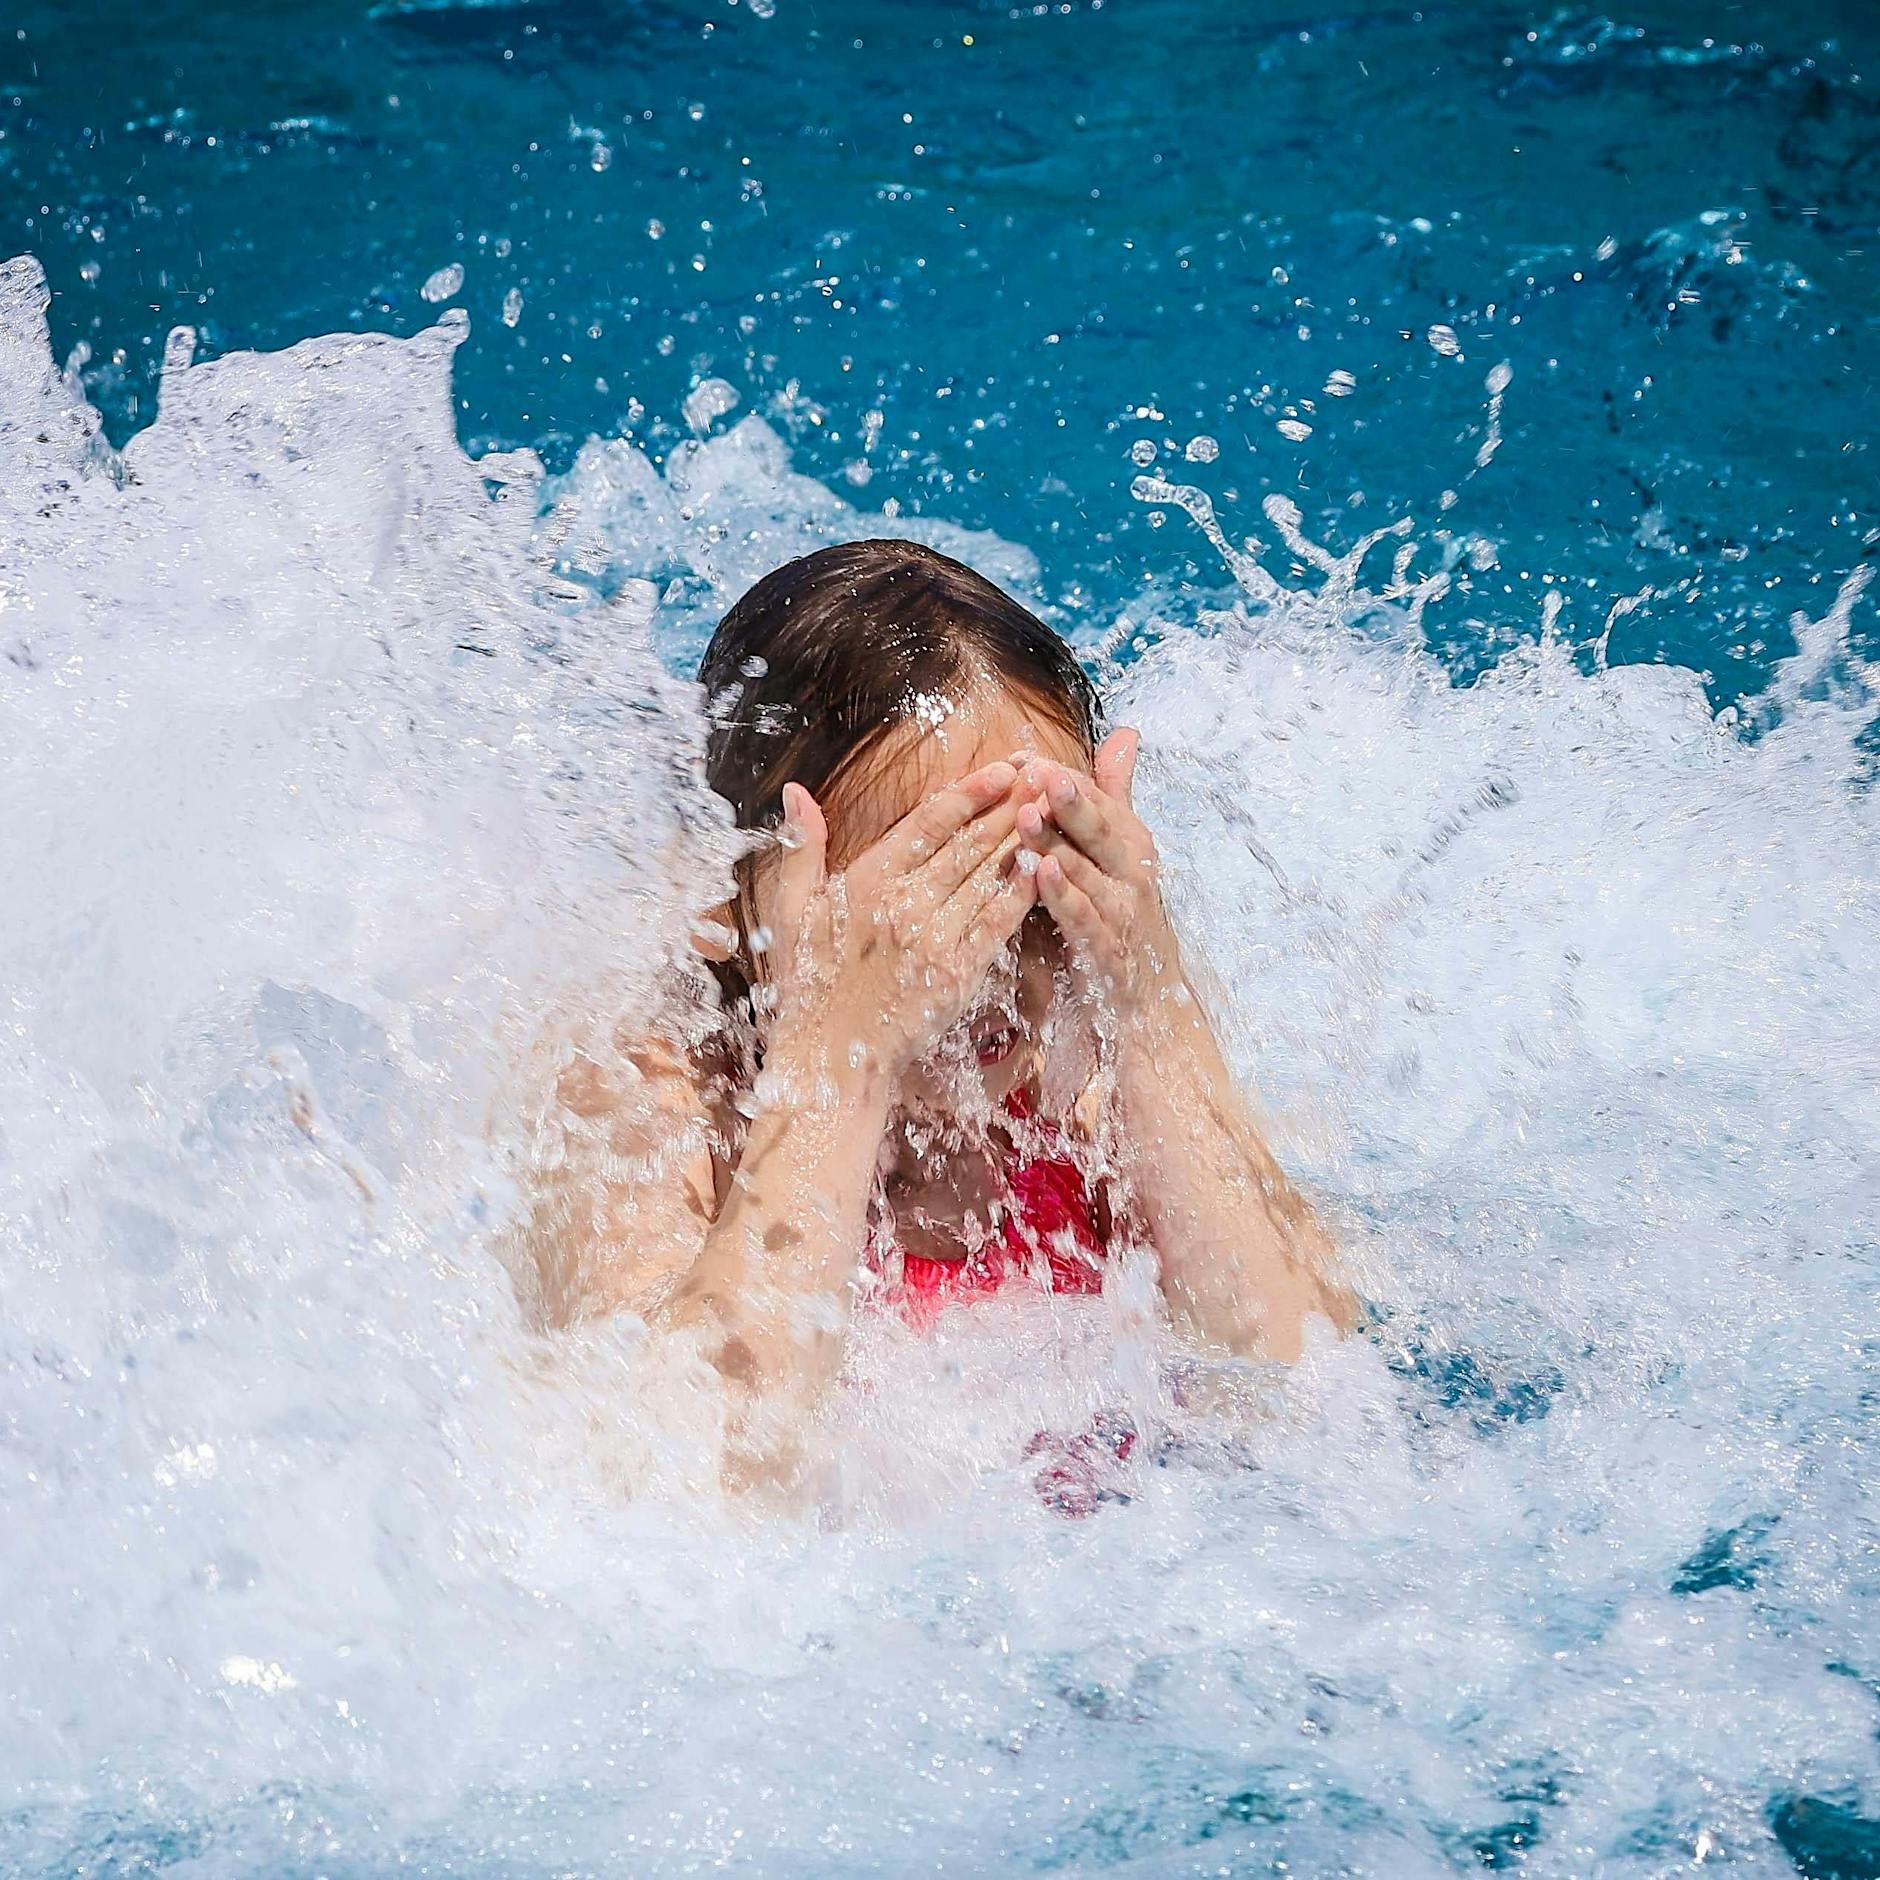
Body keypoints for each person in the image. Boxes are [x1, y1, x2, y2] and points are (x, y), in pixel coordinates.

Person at [524, 539, 1352, 1486]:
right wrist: (844, 1054)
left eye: (1035, 894)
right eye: (920, 915)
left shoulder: (1080, 1112)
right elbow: (677, 1489)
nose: (986, 967)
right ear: (726, 905)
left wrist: (1146, 995)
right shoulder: (651, 1113)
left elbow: (1315, 1407)